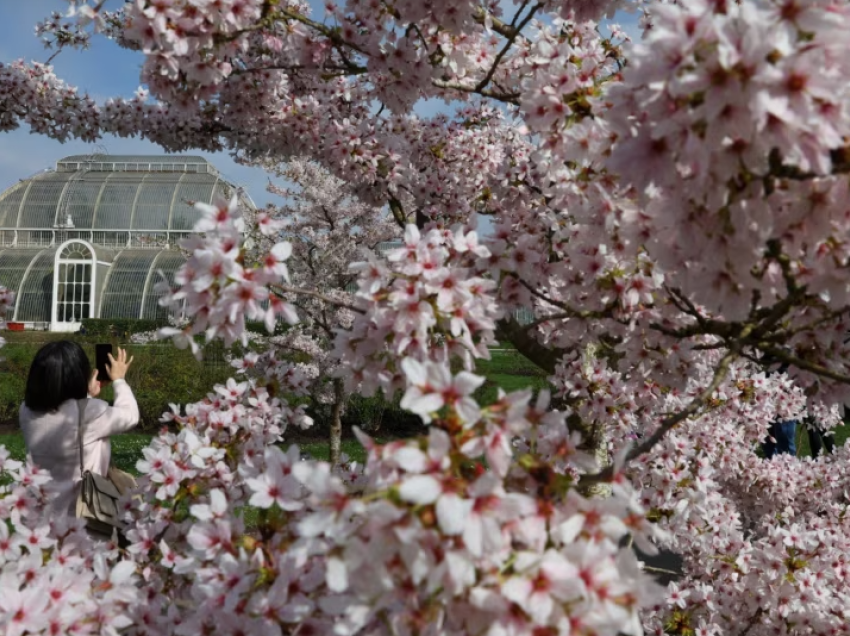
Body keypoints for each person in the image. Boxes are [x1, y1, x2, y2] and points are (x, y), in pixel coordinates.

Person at [19, 341, 138, 521]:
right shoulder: (91, 412)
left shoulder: (26, 411)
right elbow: (130, 416)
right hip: (82, 517)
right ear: (79, 375)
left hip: (39, 514)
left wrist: (87, 396)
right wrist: (119, 380)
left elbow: (66, 417)